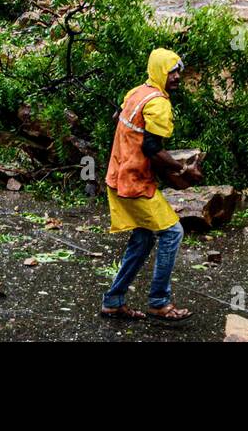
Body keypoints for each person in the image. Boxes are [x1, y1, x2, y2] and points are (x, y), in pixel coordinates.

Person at [100, 48, 202, 322]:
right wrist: (182, 168)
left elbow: (118, 120)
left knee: (143, 239)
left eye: (178, 71)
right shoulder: (158, 104)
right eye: (172, 72)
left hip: (117, 176)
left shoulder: (137, 93)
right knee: (173, 232)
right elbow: (152, 147)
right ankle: (159, 301)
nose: (177, 77)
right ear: (159, 72)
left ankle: (113, 301)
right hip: (134, 183)